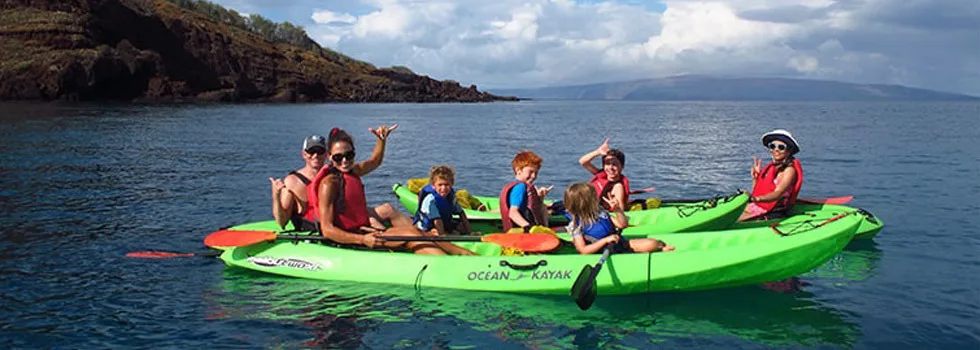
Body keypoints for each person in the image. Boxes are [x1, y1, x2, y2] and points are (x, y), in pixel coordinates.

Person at [305, 126, 473, 255]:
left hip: (365, 231)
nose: (344, 161)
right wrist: (362, 240)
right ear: (329, 157)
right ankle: (458, 261)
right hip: (353, 239)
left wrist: (381, 140)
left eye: (349, 155)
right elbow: (327, 229)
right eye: (338, 157)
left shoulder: (353, 172)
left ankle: (465, 255)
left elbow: (375, 160)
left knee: (415, 232)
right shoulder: (329, 184)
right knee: (412, 236)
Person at [563, 183, 673, 254]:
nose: (598, 198)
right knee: (653, 245)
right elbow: (583, 250)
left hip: (619, 245)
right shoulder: (577, 225)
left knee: (653, 243)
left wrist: (617, 210)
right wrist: (605, 240)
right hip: (603, 252)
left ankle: (662, 248)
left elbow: (622, 224)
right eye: (594, 197)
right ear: (586, 203)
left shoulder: (600, 213)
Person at [739, 129, 804, 221]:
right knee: (729, 214)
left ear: (789, 150)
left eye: (781, 147)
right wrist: (756, 179)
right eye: (772, 146)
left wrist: (756, 199)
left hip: (773, 210)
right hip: (759, 205)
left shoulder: (789, 171)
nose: (776, 150)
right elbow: (759, 191)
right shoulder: (772, 168)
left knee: (734, 220)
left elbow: (778, 193)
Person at [578, 138, 654, 210]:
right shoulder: (601, 175)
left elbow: (621, 210)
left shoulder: (618, 187)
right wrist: (598, 152)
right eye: (607, 164)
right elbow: (583, 161)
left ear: (622, 166)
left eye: (614, 164)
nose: (610, 168)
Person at [269, 135, 326, 230]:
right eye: (311, 152)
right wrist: (276, 196)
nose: (315, 155)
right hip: (308, 233)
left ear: (326, 154)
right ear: (304, 154)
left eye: (320, 152)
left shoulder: (334, 176)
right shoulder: (292, 181)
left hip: (332, 231)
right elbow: (282, 222)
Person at [498, 150, 553, 232]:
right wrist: (528, 227)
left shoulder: (521, 186)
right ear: (518, 171)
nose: (534, 176)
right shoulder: (520, 187)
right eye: (530, 172)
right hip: (522, 232)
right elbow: (513, 213)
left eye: (536, 173)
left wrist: (540, 198)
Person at [413, 165, 472, 236]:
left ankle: (452, 232)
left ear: (452, 184)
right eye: (440, 185)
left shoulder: (450, 196)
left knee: (461, 227)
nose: (443, 188)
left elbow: (461, 213)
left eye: (446, 184)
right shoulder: (431, 199)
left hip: (444, 221)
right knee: (436, 232)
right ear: (433, 186)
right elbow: (437, 220)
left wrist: (469, 232)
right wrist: (443, 236)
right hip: (429, 226)